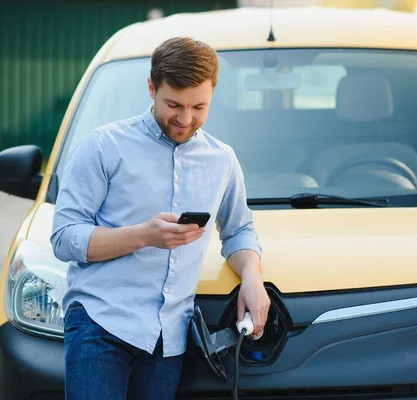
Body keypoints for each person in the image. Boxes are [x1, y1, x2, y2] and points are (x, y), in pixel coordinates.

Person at [51, 37, 270, 400]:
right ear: (151, 88)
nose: (185, 120)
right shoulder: (103, 147)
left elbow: (240, 230)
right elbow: (63, 237)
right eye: (174, 105)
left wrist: (252, 278)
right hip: (100, 326)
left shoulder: (223, 160)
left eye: (199, 107)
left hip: (169, 340)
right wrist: (143, 235)